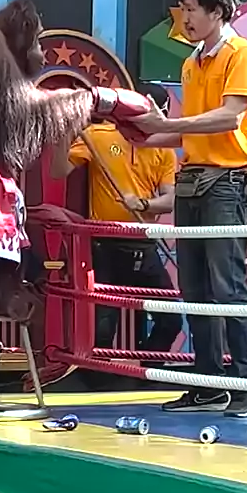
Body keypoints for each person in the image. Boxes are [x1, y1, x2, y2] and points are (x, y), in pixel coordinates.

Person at [0, 0, 98, 403]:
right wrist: (87, 101)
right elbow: (23, 115)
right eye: (38, 42)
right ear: (22, 32)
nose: (41, 55)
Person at [133, 0, 247, 419]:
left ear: (217, 11)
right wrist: (142, 135)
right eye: (183, 9)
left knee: (228, 286)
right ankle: (208, 383)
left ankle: (244, 387)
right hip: (192, 179)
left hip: (226, 181)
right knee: (195, 288)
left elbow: (229, 117)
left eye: (191, 9)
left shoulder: (241, 53)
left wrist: (166, 125)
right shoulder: (191, 62)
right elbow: (190, 132)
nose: (184, 18)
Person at [50, 82, 183, 356]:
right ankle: (102, 377)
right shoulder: (98, 136)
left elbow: (170, 200)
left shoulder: (164, 149)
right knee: (103, 327)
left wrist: (144, 204)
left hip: (143, 244)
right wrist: (64, 133)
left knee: (171, 320)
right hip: (105, 245)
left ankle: (146, 371)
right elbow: (58, 171)